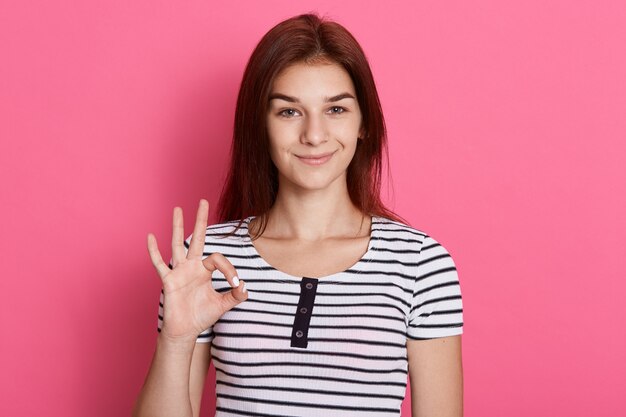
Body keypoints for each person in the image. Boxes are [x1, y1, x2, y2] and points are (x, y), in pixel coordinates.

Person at [133, 13, 464, 417]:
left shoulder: (419, 264)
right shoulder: (204, 260)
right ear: (261, 126)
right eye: (289, 112)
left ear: (364, 123)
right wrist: (176, 340)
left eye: (336, 109)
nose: (314, 134)